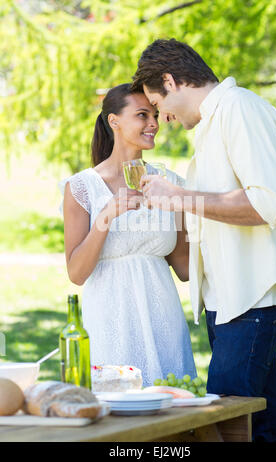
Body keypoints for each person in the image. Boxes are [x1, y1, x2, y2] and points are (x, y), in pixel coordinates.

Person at [132, 38, 276, 441]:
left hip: (252, 299)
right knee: (262, 427)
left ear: (171, 81)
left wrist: (181, 198)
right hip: (231, 303)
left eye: (158, 104)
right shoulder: (213, 124)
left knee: (223, 426)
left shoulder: (240, 109)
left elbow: (267, 204)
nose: (162, 118)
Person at [58, 83, 197, 387]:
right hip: (111, 324)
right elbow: (77, 273)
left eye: (156, 115)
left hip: (165, 323)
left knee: (174, 419)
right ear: (114, 121)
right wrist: (106, 216)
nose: (153, 124)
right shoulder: (82, 188)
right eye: (142, 115)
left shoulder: (170, 182)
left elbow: (186, 268)